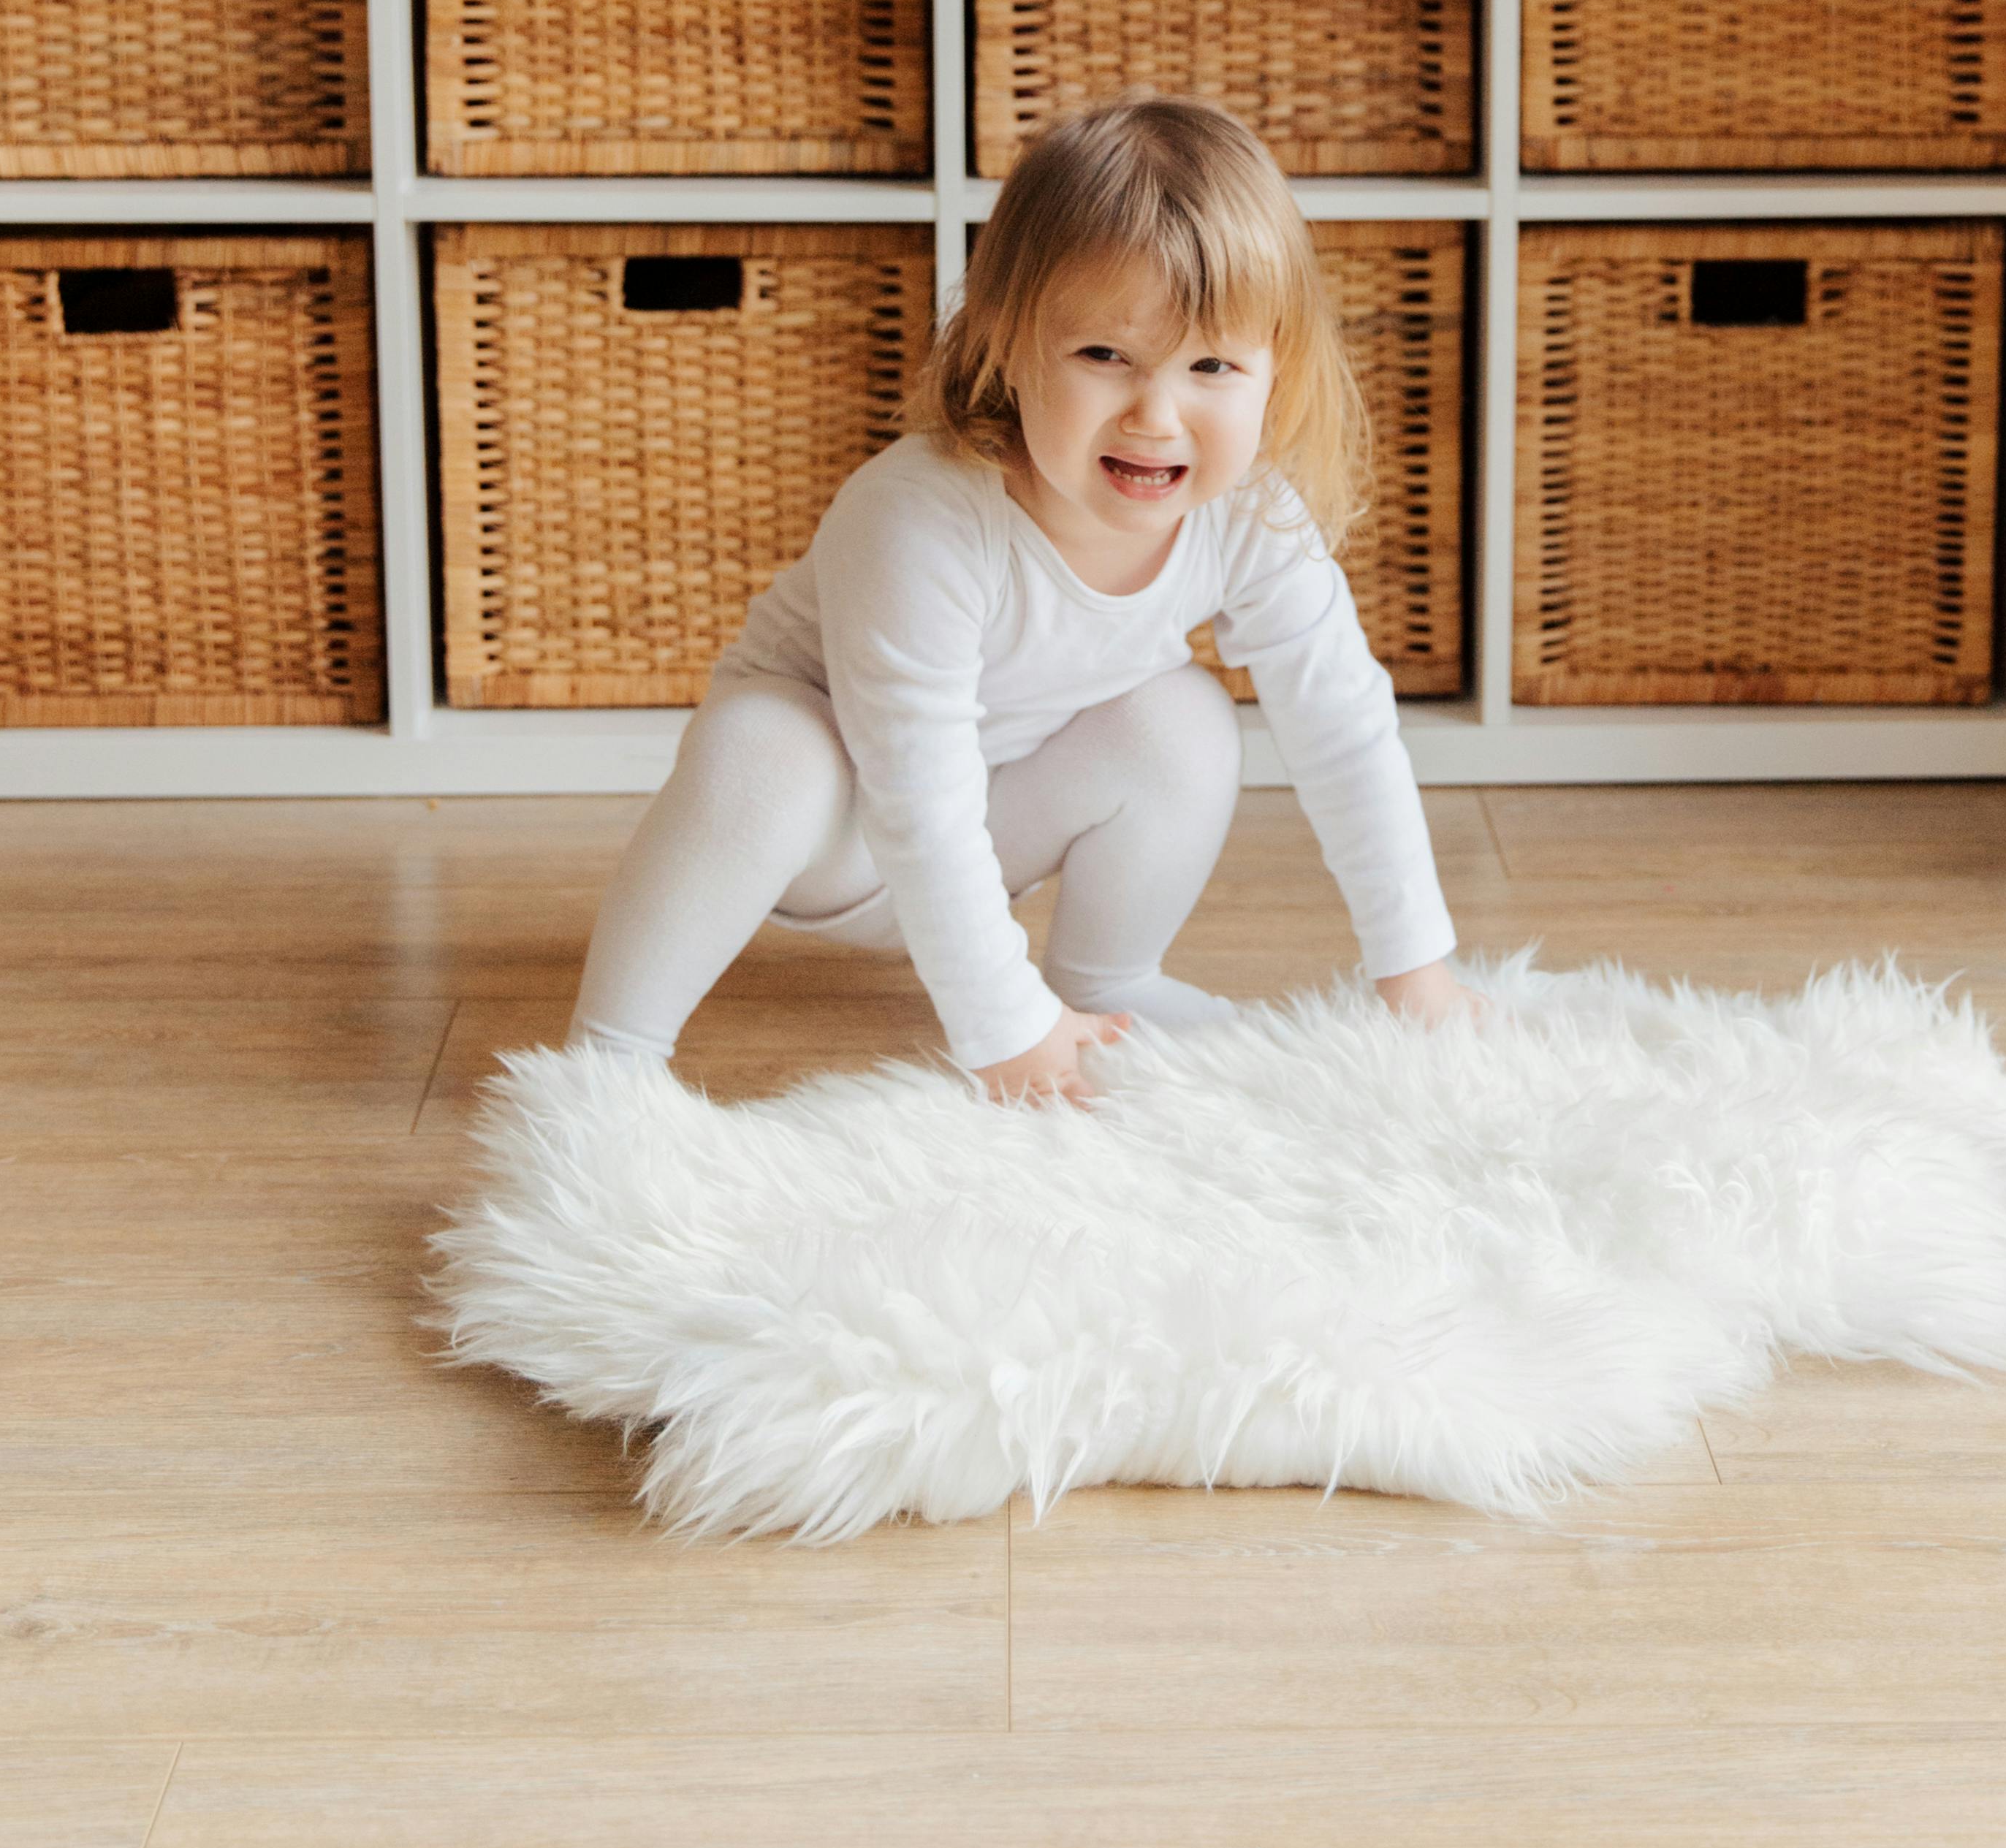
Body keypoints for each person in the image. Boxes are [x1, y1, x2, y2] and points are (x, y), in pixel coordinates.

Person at [567, 95, 1478, 1103]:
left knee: (1184, 719)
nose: (1156, 415)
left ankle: (1106, 980)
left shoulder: (1251, 514)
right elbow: (914, 784)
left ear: (1276, 369)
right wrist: (1001, 1029)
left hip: (993, 836)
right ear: (1004, 341)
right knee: (763, 747)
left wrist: (1415, 968)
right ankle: (610, 1052)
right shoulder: (920, 517)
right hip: (832, 833)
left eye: (1211, 365)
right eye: (1103, 356)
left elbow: (1345, 732)